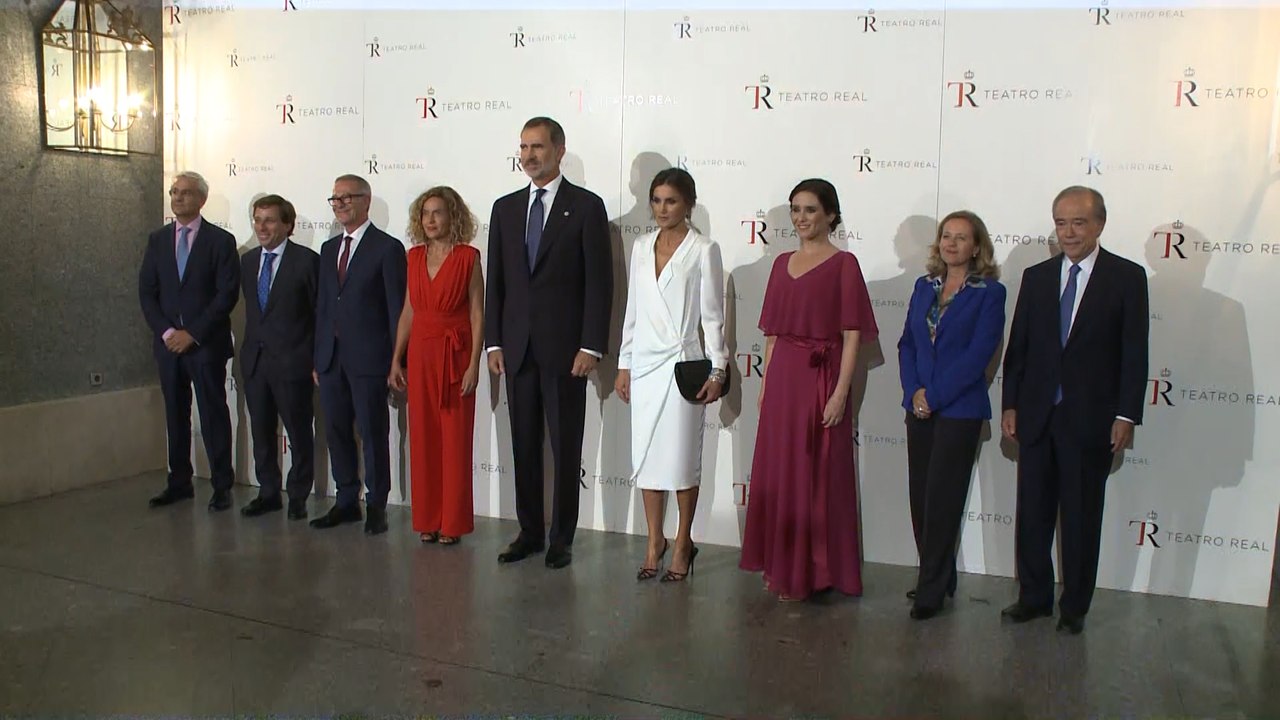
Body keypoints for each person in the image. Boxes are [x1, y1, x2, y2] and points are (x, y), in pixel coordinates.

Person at [1000, 186, 1149, 634]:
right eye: (1061, 223)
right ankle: (1033, 597)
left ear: (1099, 224)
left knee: (1082, 519)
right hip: (1037, 417)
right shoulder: (1037, 277)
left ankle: (1074, 608)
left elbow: (1134, 353)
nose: (1068, 232)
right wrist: (1010, 403)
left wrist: (1126, 415)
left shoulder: (1127, 277)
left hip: (1091, 421)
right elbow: (1019, 347)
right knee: (1033, 514)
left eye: (1078, 223)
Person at [739, 178, 878, 601]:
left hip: (821, 377)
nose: (801, 218)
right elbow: (772, 335)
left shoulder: (844, 264)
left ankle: (815, 574)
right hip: (784, 378)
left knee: (817, 474)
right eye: (796, 210)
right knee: (781, 471)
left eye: (811, 210)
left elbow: (852, 335)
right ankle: (783, 567)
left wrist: (840, 392)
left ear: (830, 215)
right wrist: (766, 385)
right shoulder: (781, 263)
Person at [484, 116, 613, 569]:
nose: (529, 155)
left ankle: (561, 538)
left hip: (566, 352)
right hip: (516, 350)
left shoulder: (586, 207)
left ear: (559, 150)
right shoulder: (504, 208)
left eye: (537, 146)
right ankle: (529, 532)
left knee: (565, 446)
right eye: (523, 147)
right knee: (523, 445)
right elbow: (497, 280)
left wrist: (591, 345)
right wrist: (494, 342)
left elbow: (599, 283)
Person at [615, 168, 727, 583]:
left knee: (681, 461)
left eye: (672, 201)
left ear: (689, 204)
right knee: (646, 457)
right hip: (645, 367)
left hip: (684, 368)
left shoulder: (704, 249)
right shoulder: (641, 247)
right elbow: (633, 311)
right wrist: (625, 364)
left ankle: (682, 542)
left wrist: (718, 368)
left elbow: (713, 316)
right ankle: (653, 541)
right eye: (657, 200)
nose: (662, 209)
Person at [897, 210, 1006, 619]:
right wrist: (914, 392)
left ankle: (931, 589)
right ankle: (939, 577)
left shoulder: (990, 293)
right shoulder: (924, 285)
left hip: (959, 410)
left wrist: (935, 396)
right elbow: (908, 344)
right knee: (921, 498)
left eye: (961, 237)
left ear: (977, 247)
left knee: (943, 499)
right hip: (919, 406)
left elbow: (979, 355)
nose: (952, 243)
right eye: (946, 236)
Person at [311, 175, 408, 536]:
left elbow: (397, 308)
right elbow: (323, 306)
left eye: (346, 197)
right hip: (330, 359)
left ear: (366, 201)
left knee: (372, 432)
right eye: (334, 198)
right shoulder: (328, 249)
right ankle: (346, 500)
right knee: (336, 431)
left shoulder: (387, 248)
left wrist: (398, 360)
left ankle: (377, 504)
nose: (339, 204)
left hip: (370, 359)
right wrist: (318, 356)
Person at [139, 171, 240, 511]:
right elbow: (147, 292)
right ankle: (179, 481)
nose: (178, 197)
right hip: (168, 347)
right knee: (175, 414)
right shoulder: (157, 240)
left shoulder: (221, 241)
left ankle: (222, 485)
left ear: (201, 199)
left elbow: (226, 295)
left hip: (205, 346)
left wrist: (192, 333)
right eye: (174, 192)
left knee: (213, 414)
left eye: (185, 192)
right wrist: (168, 333)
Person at [389, 187, 482, 545]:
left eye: (437, 212)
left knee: (455, 441)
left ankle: (452, 523)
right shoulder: (413, 257)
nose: (430, 220)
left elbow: (477, 314)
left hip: (455, 356)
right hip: (421, 355)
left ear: (452, 216)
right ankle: (427, 519)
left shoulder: (468, 257)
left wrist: (473, 364)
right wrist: (397, 359)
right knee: (424, 438)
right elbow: (408, 311)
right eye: (425, 213)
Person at [238, 195, 320, 521]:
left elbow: (318, 314)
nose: (262, 227)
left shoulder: (307, 261)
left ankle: (298, 495)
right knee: (261, 433)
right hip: (255, 363)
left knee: (298, 434)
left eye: (270, 220)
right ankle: (268, 492)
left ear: (288, 225)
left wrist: (315, 359)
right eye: (257, 220)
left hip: (293, 363)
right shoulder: (247, 262)